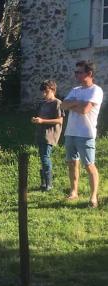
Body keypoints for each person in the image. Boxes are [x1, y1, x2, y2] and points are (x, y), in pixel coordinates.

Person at [61, 60, 103, 208]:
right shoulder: (75, 90)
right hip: (71, 132)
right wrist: (77, 103)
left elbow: (85, 110)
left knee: (89, 165)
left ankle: (93, 197)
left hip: (86, 134)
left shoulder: (96, 90)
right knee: (72, 163)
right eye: (76, 72)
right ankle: (74, 192)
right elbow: (63, 105)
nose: (76, 75)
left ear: (89, 74)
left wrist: (74, 103)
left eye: (79, 72)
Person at [31, 80, 64, 191]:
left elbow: (60, 120)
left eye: (46, 91)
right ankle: (44, 183)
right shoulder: (42, 103)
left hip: (49, 135)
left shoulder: (57, 103)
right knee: (42, 157)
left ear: (53, 90)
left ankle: (49, 184)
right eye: (43, 91)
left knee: (45, 157)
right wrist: (35, 120)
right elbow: (39, 117)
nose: (44, 94)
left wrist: (42, 121)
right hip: (40, 134)